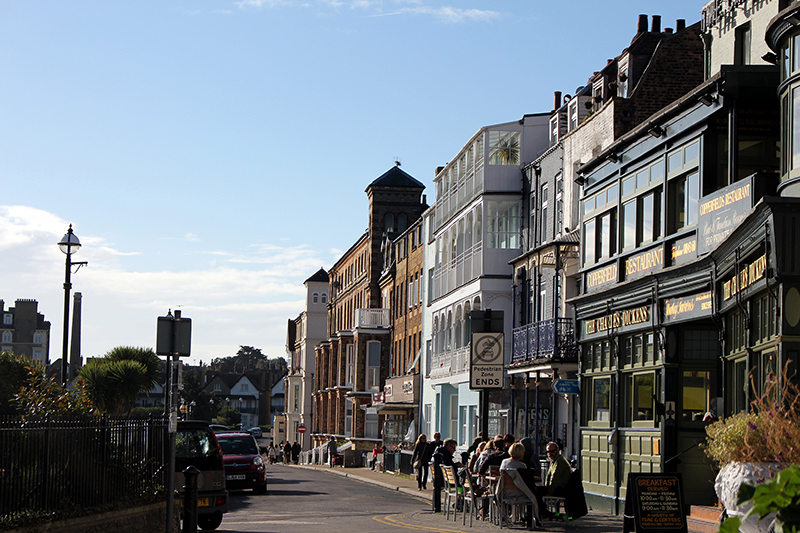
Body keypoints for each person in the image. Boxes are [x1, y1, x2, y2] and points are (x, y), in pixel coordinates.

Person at [535, 441, 571, 518]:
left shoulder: (560, 461)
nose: (549, 453)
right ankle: (542, 512)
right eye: (548, 451)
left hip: (560, 489)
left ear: (557, 451)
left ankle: (542, 512)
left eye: (552, 451)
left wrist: (548, 490)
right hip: (556, 487)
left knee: (535, 491)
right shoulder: (554, 461)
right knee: (535, 490)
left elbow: (554, 478)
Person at [432, 438, 461, 512]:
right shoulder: (444, 456)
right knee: (464, 482)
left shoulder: (441, 453)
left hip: (441, 479)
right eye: (454, 448)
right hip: (445, 481)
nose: (454, 450)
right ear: (448, 447)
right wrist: (457, 466)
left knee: (462, 482)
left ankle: (460, 501)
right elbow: (450, 467)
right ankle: (460, 501)